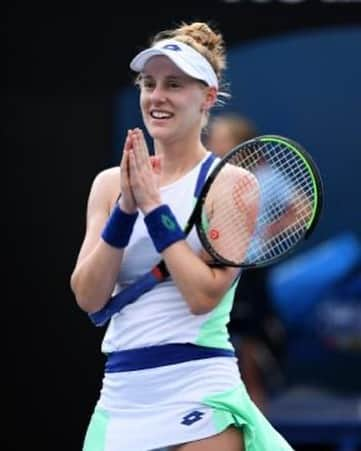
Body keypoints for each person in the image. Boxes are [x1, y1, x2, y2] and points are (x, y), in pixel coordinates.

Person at [70, 21, 294, 451]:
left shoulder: (232, 184)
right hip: (122, 394)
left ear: (207, 97)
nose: (157, 96)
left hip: (198, 385)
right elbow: (88, 297)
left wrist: (154, 209)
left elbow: (201, 297)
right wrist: (126, 209)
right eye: (149, 83)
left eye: (174, 84)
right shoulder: (108, 185)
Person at [205, 113, 288, 412]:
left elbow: (301, 209)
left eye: (219, 135)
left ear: (236, 143)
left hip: (250, 270)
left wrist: (268, 233)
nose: (211, 139)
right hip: (215, 268)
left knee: (250, 344)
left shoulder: (266, 177)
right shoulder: (211, 176)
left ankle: (257, 418)